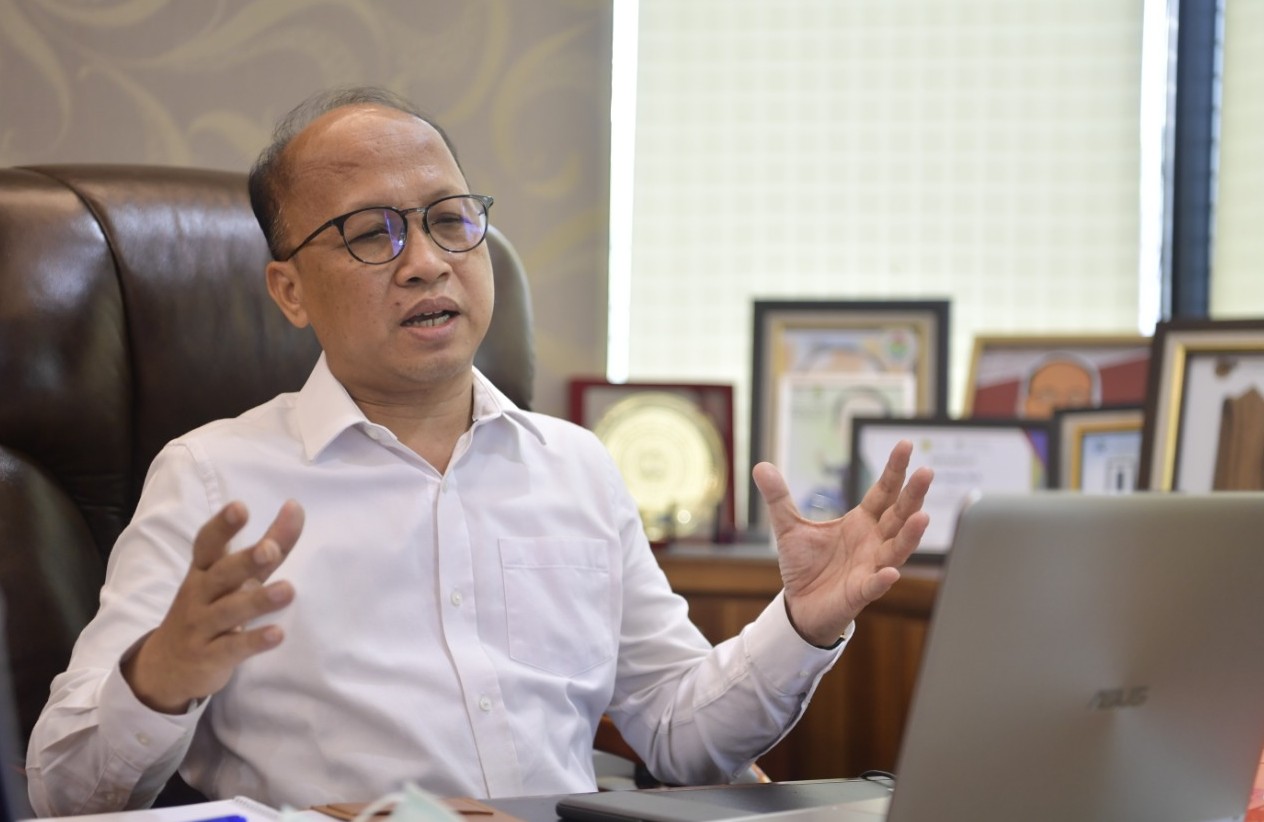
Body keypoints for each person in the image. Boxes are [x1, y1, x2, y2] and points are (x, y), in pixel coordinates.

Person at [25, 87, 932, 815]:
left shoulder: (575, 467)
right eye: (370, 233)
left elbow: (679, 736)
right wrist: (162, 676)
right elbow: (63, 792)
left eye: (450, 219)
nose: (426, 261)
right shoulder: (212, 479)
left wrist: (803, 624)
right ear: (290, 291)